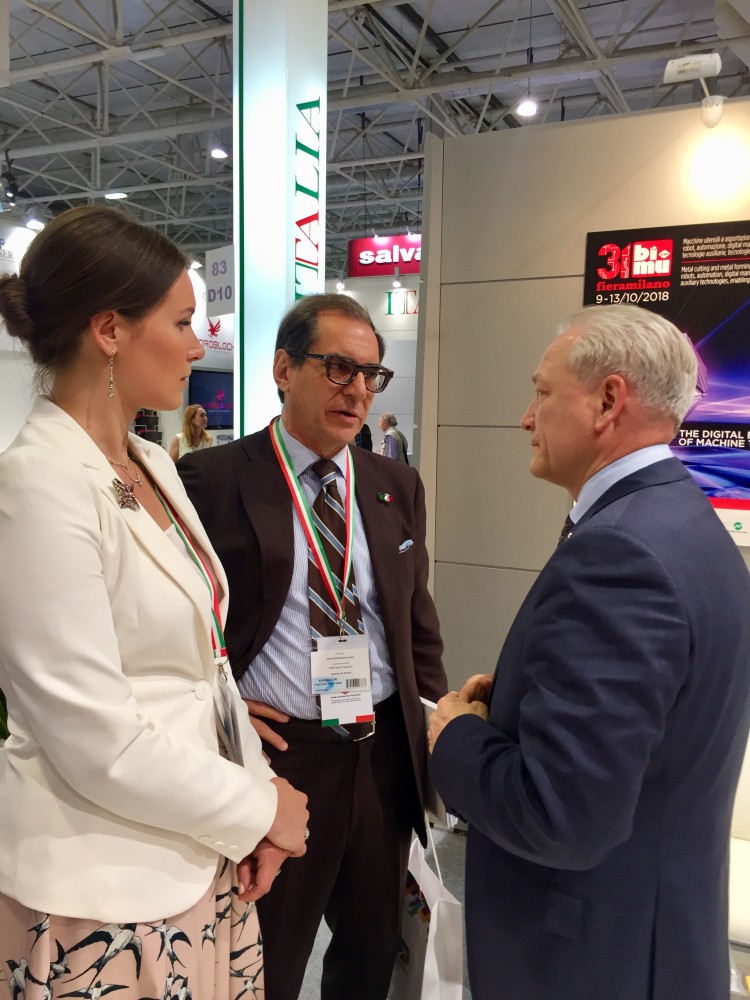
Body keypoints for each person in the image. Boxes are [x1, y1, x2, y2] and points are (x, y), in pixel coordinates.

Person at [0, 205, 309, 999]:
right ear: (109, 330)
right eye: (181, 322)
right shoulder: (36, 484)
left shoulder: (149, 461)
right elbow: (94, 739)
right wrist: (258, 808)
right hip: (105, 892)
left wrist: (253, 810)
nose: (199, 346)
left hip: (202, 863)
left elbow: (209, 668)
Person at [429, 304, 750, 1000]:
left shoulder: (619, 553)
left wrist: (454, 737)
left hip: (592, 959)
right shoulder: (684, 520)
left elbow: (561, 818)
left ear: (607, 401)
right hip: (654, 937)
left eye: (542, 393)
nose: (525, 417)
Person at [177, 292, 446, 1000]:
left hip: (380, 754)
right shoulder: (212, 481)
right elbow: (175, 626)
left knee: (370, 955)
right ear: (283, 369)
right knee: (267, 958)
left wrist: (434, 728)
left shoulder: (395, 486)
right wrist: (218, 706)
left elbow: (415, 621)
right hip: (282, 757)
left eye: (371, 375)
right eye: (338, 368)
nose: (357, 389)